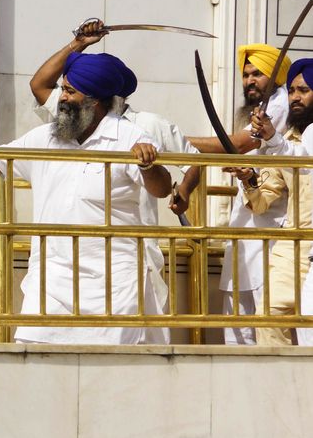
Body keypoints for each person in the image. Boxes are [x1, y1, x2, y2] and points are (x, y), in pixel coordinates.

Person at [0, 52, 172, 344]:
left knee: (110, 366)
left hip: (114, 282)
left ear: (94, 100)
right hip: (52, 278)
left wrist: (148, 165)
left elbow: (161, 189)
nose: (62, 98)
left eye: (69, 91)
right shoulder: (46, 137)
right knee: (35, 353)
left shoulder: (131, 138)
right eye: (62, 89)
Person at [29, 19, 200, 344]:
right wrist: (78, 45)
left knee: (134, 346)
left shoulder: (148, 125)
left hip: (129, 256)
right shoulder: (73, 120)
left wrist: (184, 191)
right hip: (69, 261)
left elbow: (193, 161)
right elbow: (39, 85)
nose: (64, 96)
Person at [194, 45, 292, 339]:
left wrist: (175, 139)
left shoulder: (279, 105)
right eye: (246, 74)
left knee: (264, 322)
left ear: (275, 76)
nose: (249, 80)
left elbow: (238, 145)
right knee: (237, 321)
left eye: (257, 74)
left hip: (270, 227)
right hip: (245, 225)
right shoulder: (257, 109)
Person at [249, 59, 313, 346]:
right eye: (292, 91)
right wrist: (248, 180)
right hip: (294, 243)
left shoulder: (291, 142)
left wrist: (273, 138)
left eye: (304, 90)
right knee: (268, 316)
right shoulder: (289, 139)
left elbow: (303, 159)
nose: (295, 97)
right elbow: (262, 200)